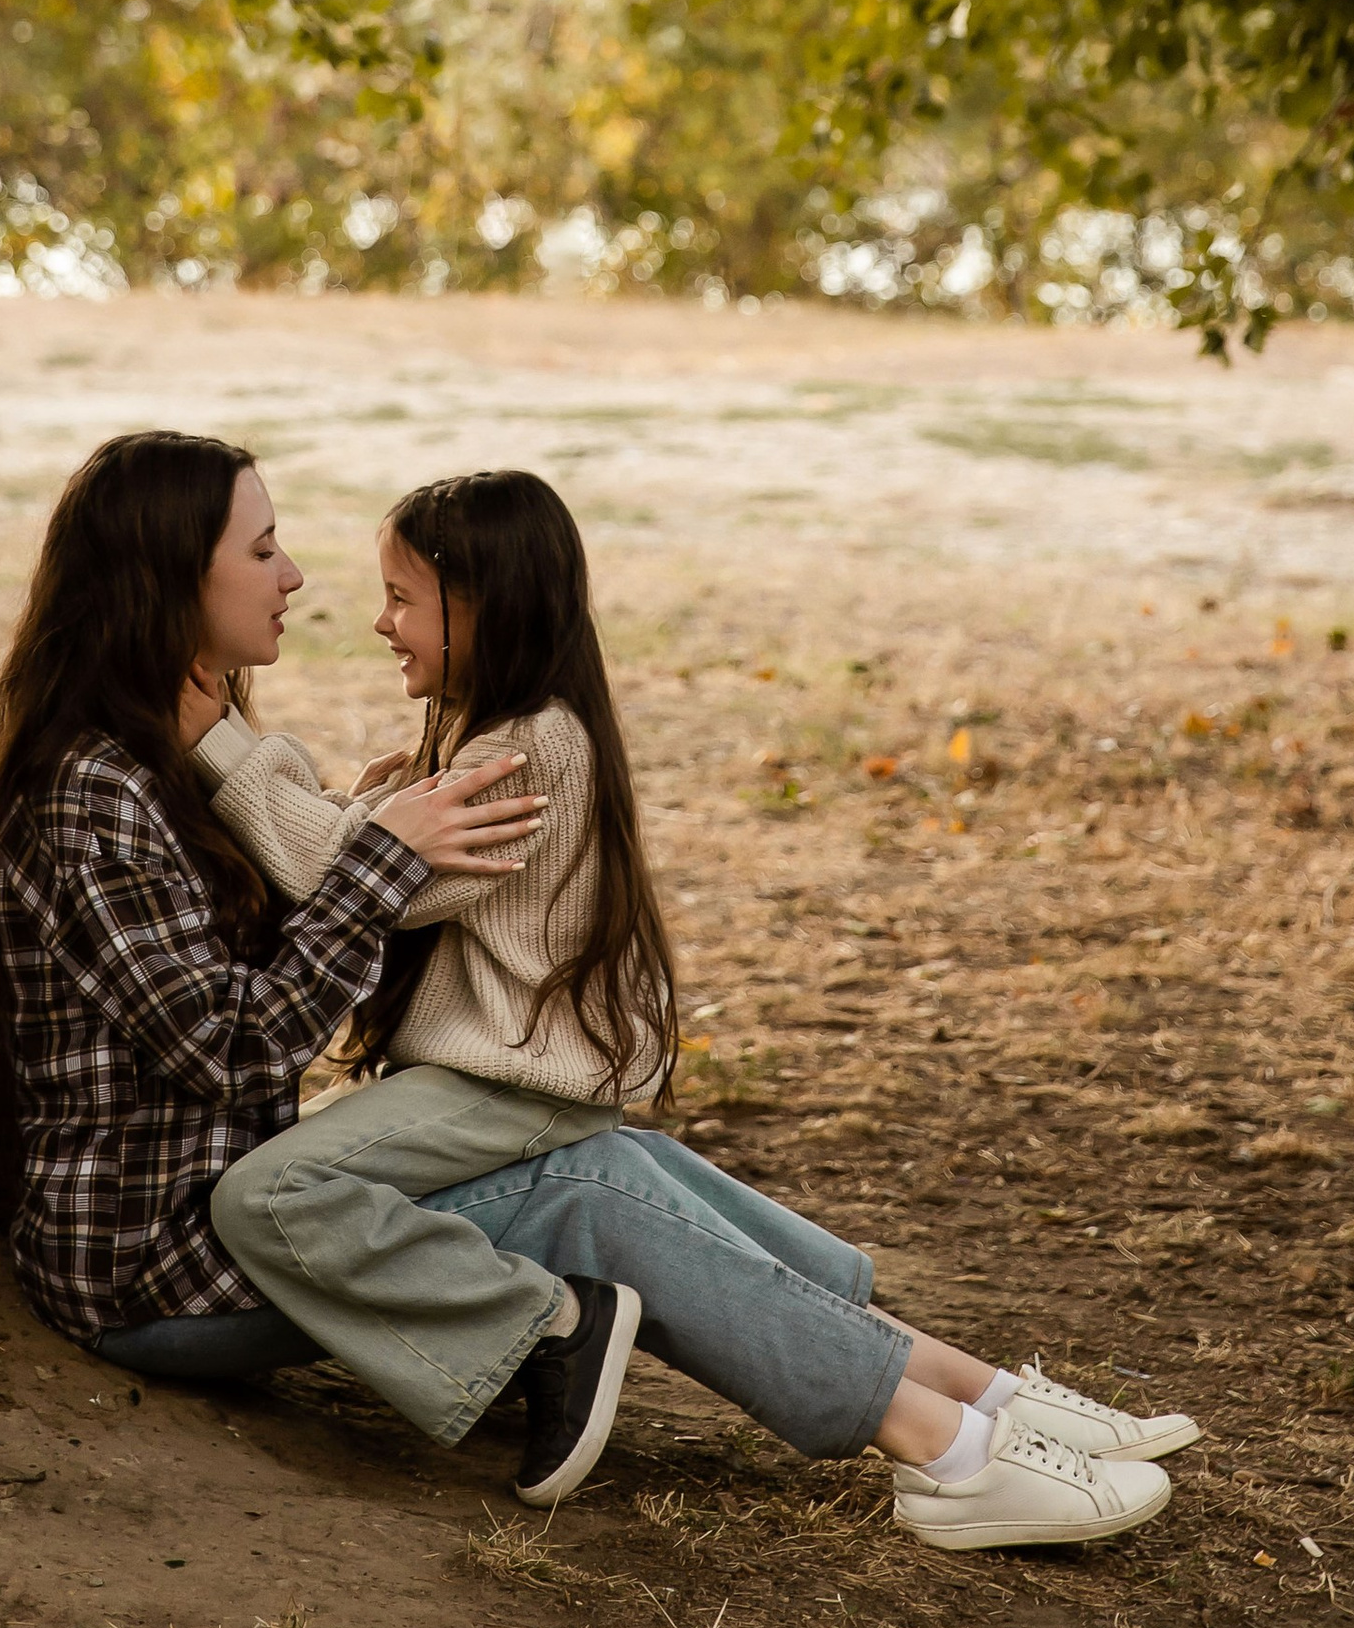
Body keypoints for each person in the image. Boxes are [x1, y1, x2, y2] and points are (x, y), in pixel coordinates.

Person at [194, 471, 1199, 1552]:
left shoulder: (521, 753)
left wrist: (222, 744)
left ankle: (934, 1455)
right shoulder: (508, 732)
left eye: (401, 598)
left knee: (280, 1190)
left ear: (485, 605)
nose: (379, 621)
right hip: (520, 1075)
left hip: (503, 1080)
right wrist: (367, 801)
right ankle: (995, 1407)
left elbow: (348, 876)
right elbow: (373, 858)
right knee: (646, 1189)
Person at [0, 429, 544, 1384]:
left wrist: (341, 831)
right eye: (262, 550)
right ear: (169, 577)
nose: (293, 576)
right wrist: (377, 867)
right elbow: (234, 1048)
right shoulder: (91, 794)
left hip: (226, 1230)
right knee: (573, 1189)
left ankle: (790, 1339)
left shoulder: (168, 758)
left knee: (597, 1172)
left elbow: (247, 969)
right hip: (157, 1277)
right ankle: (577, 1342)